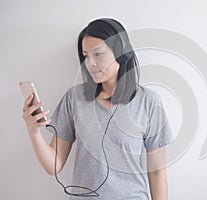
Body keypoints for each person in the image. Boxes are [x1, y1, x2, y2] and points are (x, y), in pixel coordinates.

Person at [22, 18, 174, 200]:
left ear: (121, 53)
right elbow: (53, 166)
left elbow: (157, 172)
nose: (90, 63)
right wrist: (34, 132)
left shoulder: (148, 102)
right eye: (86, 55)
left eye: (98, 54)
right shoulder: (74, 98)